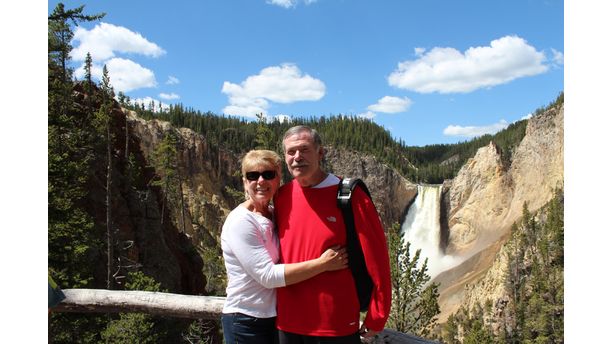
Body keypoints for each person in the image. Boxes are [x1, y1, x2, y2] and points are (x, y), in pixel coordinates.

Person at [274, 126, 392, 343]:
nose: (297, 157)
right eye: (291, 152)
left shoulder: (349, 195)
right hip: (287, 322)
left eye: (304, 149)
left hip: (335, 323)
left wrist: (378, 315)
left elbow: (378, 260)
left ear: (321, 153)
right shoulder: (282, 196)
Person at [221, 149, 349, 344]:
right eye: (253, 176)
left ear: (278, 179)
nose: (261, 181)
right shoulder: (241, 222)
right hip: (246, 319)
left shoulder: (273, 213)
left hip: (273, 318)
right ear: (245, 181)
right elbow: (268, 276)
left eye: (268, 174)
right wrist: (323, 264)